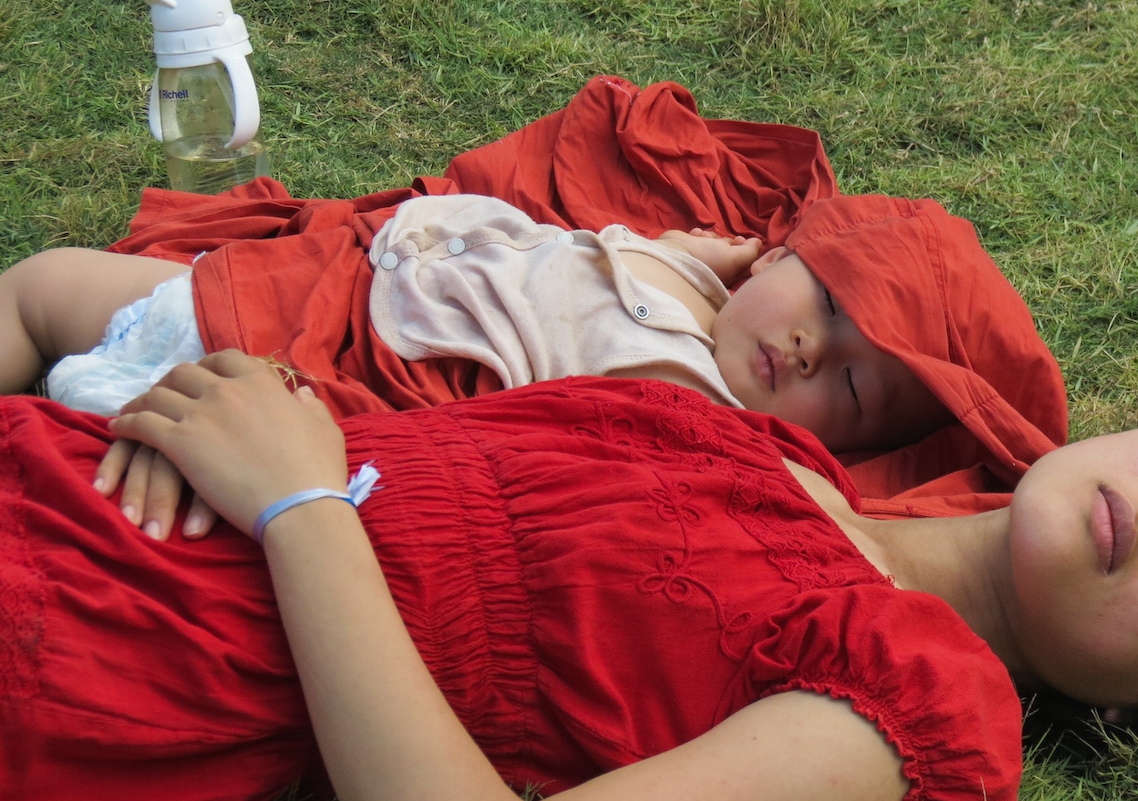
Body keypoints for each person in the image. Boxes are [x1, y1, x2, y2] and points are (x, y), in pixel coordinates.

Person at [0, 353, 1138, 801]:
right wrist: (264, 407)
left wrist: (297, 504)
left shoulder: (918, 709)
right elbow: (426, 482)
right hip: (69, 480)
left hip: (100, 654)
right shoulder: (755, 437)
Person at [0, 193, 1063, 537]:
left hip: (326, 360)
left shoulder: (689, 404)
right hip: (319, 285)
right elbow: (631, 264)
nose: (804, 347)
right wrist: (707, 260)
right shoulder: (702, 284)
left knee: (78, 432)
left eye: (851, 385)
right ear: (778, 249)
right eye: (827, 303)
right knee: (45, 286)